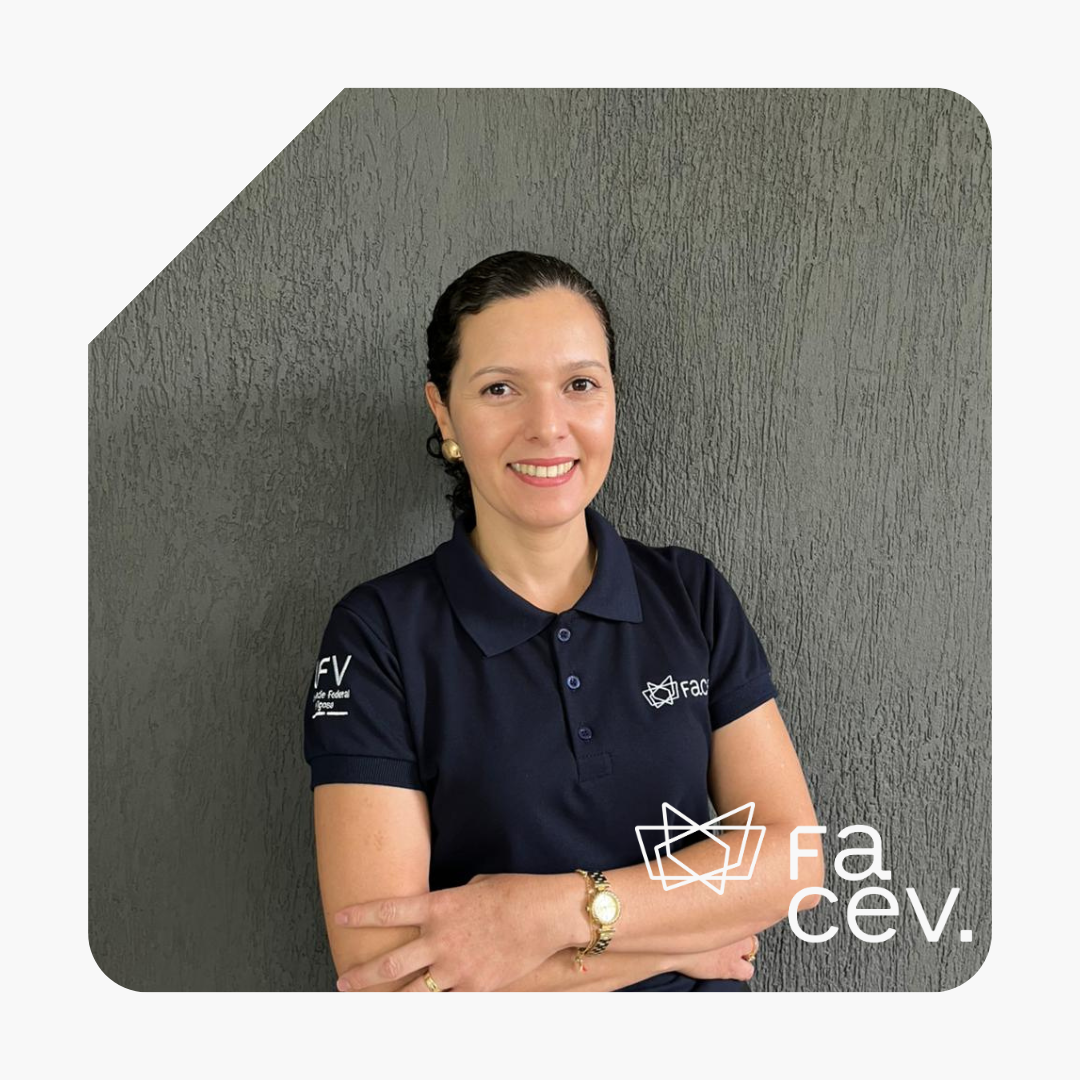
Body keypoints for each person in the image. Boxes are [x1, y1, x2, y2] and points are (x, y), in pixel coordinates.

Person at [303, 251, 824, 992]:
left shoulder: (689, 593)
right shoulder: (377, 635)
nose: (548, 427)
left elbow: (794, 861)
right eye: (500, 389)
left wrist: (547, 913)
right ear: (444, 413)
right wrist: (669, 945)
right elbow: (385, 980)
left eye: (580, 384)